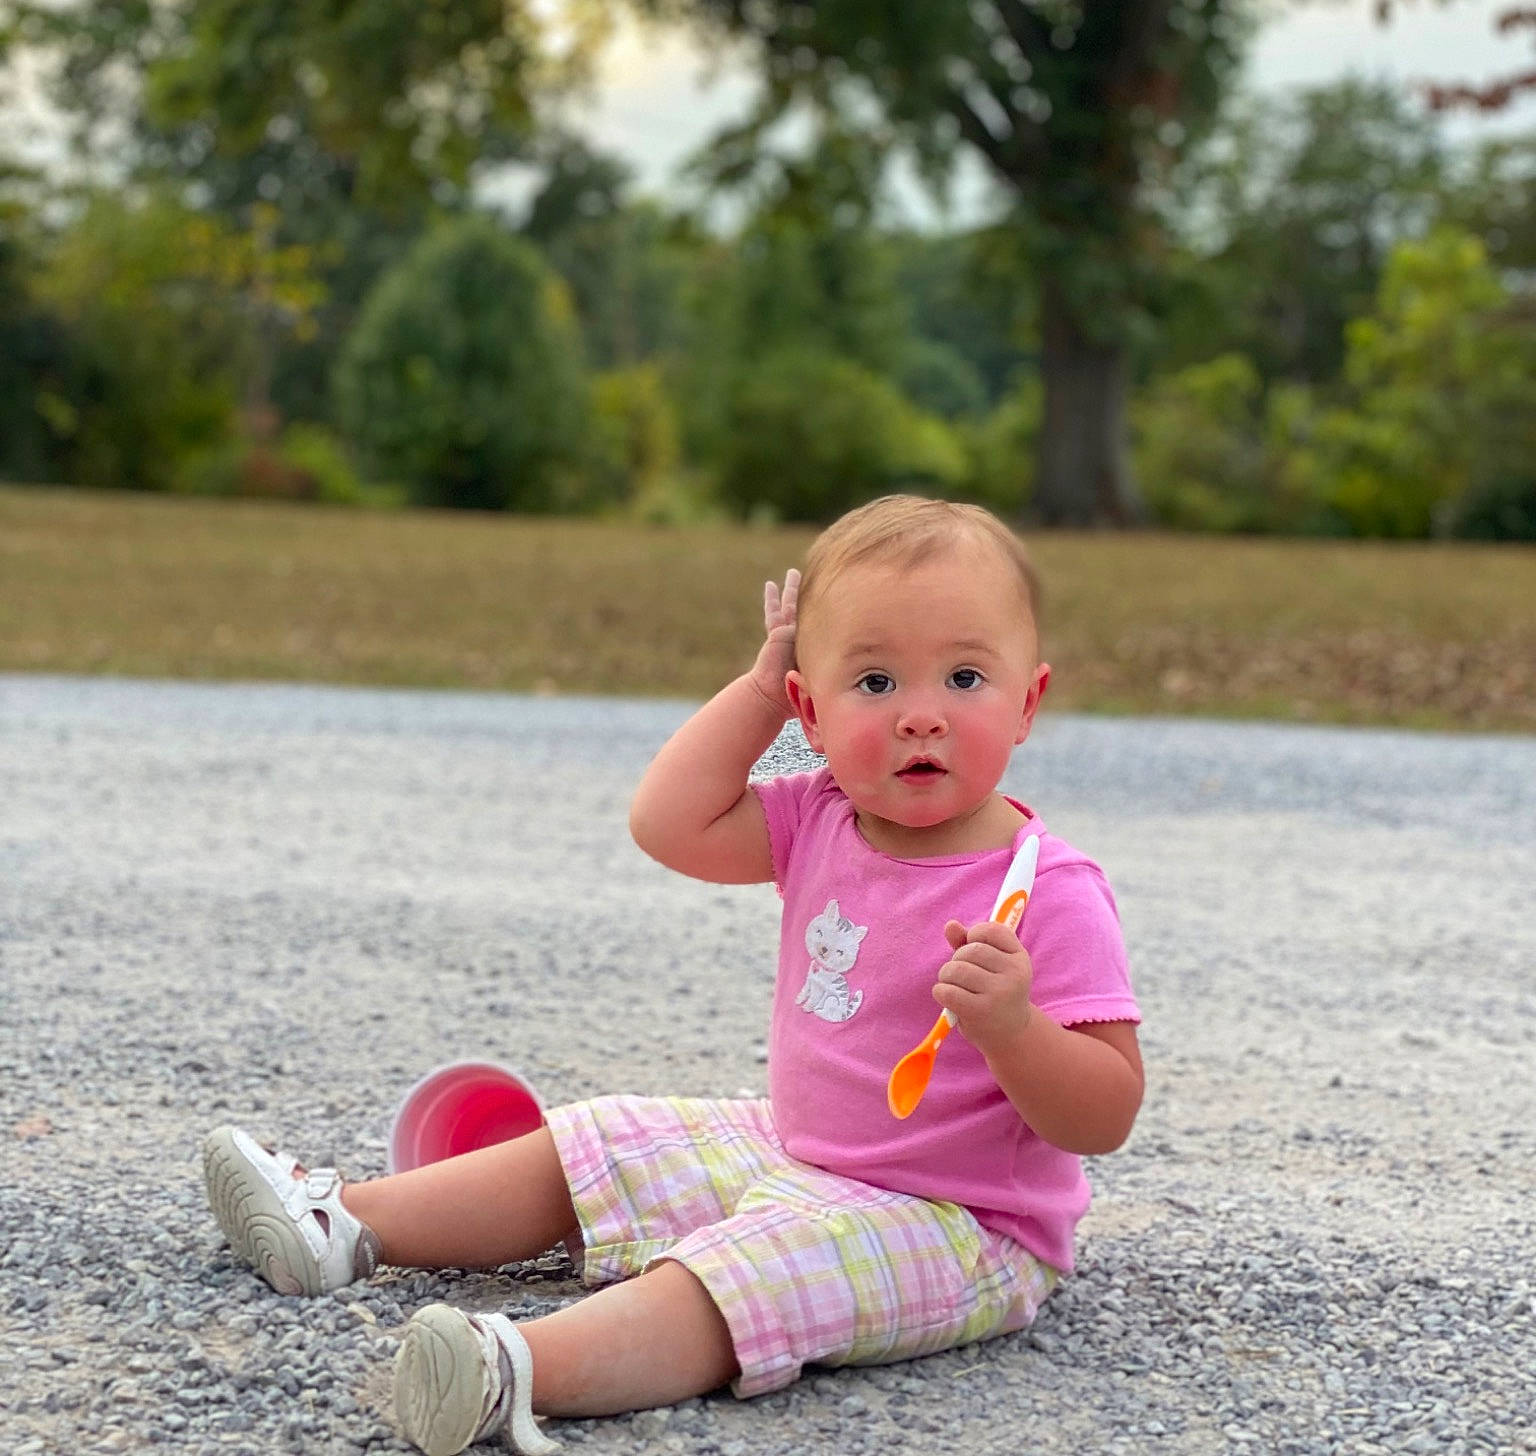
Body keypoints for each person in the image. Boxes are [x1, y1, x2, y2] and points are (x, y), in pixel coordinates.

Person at [201, 495, 1143, 1456]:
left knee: (755, 1270)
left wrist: (1016, 1030)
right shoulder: (820, 816)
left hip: (961, 1223)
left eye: (966, 676)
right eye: (873, 682)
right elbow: (668, 823)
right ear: (809, 712)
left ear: (1027, 702)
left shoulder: (1046, 891)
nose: (919, 716)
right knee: (606, 1141)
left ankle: (515, 1372)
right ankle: (344, 1222)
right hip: (802, 1150)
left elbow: (1104, 1117)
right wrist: (753, 692)